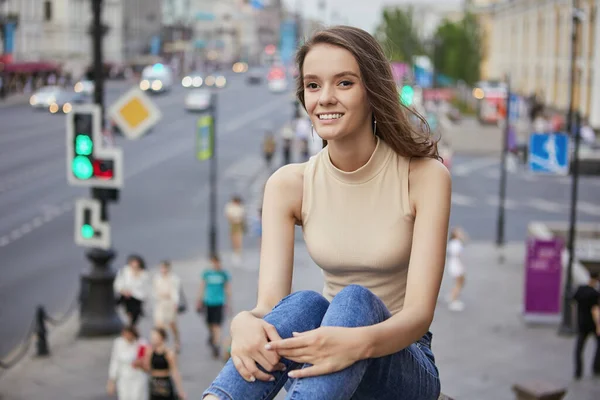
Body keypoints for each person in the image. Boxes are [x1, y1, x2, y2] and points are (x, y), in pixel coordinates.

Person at [202, 25, 450, 400]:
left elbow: (418, 316)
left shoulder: (425, 177)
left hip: (404, 361)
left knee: (353, 299)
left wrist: (356, 343)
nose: (325, 99)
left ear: (373, 90)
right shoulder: (288, 184)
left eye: (345, 83)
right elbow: (271, 307)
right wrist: (242, 324)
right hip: (328, 349)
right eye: (314, 86)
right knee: (306, 304)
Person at [134, 327, 186, 400]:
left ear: (162, 337)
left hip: (165, 382)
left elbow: (175, 371)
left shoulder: (169, 353)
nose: (153, 339)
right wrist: (140, 365)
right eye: (152, 337)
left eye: (155, 337)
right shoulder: (149, 352)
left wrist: (180, 390)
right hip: (154, 382)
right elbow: (147, 368)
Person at [197, 254, 232, 359]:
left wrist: (228, 303)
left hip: (219, 302)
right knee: (209, 323)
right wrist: (199, 300)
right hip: (208, 302)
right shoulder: (207, 274)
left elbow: (227, 288)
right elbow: (202, 286)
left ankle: (216, 345)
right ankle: (212, 336)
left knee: (217, 325)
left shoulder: (223, 274)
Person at [107, 326, 149, 400]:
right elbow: (115, 362)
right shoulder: (118, 343)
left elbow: (145, 358)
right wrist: (112, 380)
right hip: (124, 377)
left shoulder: (141, 343)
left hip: (138, 376)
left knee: (137, 396)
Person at [572, 272, 600, 379]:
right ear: (596, 280)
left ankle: (578, 371)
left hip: (582, 323)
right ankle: (596, 367)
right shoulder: (595, 293)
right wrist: (598, 326)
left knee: (579, 349)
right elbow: (595, 311)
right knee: (598, 345)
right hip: (592, 325)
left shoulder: (580, 289)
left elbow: (573, 300)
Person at [153, 261, 182, 353]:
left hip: (170, 303)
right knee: (159, 324)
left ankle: (176, 340)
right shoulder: (157, 278)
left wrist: (175, 303)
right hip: (161, 303)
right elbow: (154, 291)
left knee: (172, 324)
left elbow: (175, 293)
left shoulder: (173, 279)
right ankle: (161, 343)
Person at [114, 255, 150, 327]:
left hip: (137, 298)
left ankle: (131, 330)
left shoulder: (144, 274)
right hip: (126, 296)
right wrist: (123, 291)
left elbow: (146, 289)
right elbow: (118, 283)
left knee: (134, 317)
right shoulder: (125, 271)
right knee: (128, 315)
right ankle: (130, 329)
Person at [446, 227, 467, 311]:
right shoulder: (456, 243)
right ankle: (453, 299)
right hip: (457, 265)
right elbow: (458, 255)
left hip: (454, 264)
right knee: (459, 283)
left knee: (459, 282)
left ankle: (452, 296)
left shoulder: (452, 243)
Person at [224, 196, 246, 265]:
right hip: (233, 223)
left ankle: (238, 253)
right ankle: (235, 252)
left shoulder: (241, 207)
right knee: (234, 238)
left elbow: (243, 215)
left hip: (239, 223)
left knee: (239, 238)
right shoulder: (230, 206)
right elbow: (228, 215)